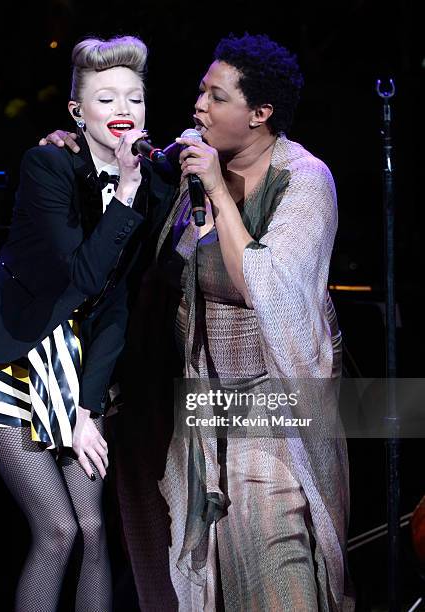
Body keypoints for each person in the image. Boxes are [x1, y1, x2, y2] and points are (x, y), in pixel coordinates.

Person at [44, 32, 354, 611]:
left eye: (216, 97)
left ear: (260, 114)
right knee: (173, 573)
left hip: (271, 410)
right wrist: (76, 145)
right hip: (178, 406)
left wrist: (217, 191)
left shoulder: (305, 181)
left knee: (272, 562)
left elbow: (268, 289)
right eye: (199, 92)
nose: (198, 107)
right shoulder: (184, 169)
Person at [0, 35, 176, 612]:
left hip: (76, 369)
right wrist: (128, 191)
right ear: (75, 111)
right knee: (57, 529)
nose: (122, 113)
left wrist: (86, 411)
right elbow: (82, 277)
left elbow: (114, 304)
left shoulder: (152, 184)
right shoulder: (48, 166)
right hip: (11, 356)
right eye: (105, 99)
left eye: (133, 100)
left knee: (92, 528)